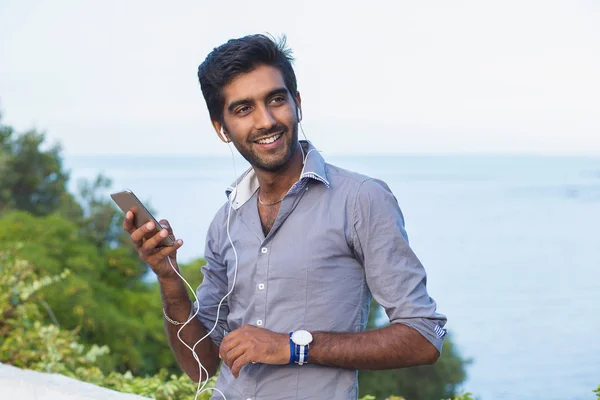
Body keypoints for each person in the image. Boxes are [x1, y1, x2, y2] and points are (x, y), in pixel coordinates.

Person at [123, 34, 447, 400]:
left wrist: (294, 346)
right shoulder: (225, 222)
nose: (266, 121)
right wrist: (169, 278)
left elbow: (423, 337)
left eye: (276, 100)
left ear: (297, 103)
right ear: (222, 129)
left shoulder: (361, 199)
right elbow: (201, 365)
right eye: (244, 109)